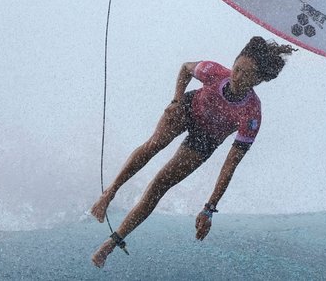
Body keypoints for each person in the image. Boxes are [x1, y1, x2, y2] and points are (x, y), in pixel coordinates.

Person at [90, 36, 296, 268]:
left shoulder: (251, 115)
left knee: (160, 184)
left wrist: (209, 208)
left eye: (246, 75)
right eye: (237, 68)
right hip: (188, 108)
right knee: (153, 145)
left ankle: (110, 245)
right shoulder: (214, 71)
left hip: (206, 140)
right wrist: (177, 100)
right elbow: (185, 68)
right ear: (235, 61)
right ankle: (109, 194)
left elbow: (230, 165)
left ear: (259, 80)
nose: (237, 77)